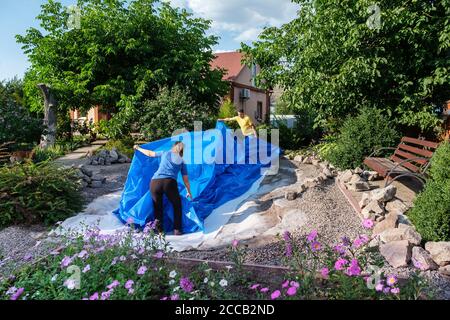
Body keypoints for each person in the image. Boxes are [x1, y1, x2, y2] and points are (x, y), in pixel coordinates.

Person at [133, 141, 192, 235]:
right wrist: (189, 192)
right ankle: (177, 230)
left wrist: (138, 148)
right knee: (177, 205)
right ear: (182, 150)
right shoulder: (182, 160)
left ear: (173, 147)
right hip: (169, 183)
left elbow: (149, 153)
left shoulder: (165, 152)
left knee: (157, 207)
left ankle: (159, 231)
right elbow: (186, 180)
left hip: (155, 182)